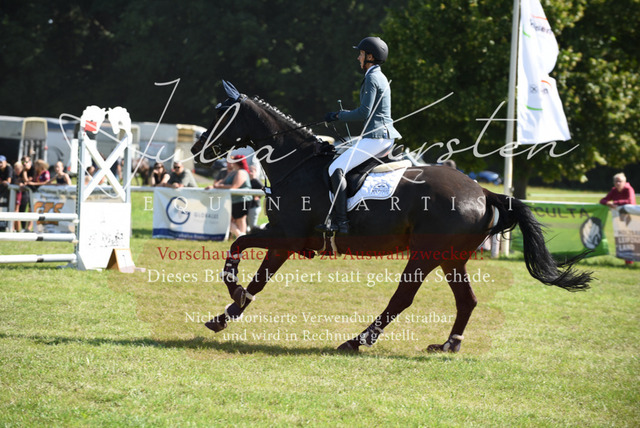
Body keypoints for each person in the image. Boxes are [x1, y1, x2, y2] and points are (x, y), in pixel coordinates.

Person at [320, 36, 401, 234]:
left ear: (370, 57)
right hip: (381, 135)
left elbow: (364, 112)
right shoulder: (379, 76)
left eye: (361, 54)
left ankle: (341, 222)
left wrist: (338, 115)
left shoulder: (372, 77)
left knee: (336, 168)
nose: (358, 58)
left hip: (377, 137)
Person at [206, 155, 252, 239]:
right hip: (232, 200)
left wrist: (219, 186)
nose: (230, 163)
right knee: (227, 220)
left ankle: (241, 237)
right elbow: (222, 182)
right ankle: (240, 236)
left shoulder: (241, 172)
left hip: (242, 200)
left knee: (240, 220)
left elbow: (234, 186)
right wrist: (215, 186)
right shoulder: (232, 172)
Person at [600, 172, 636, 266]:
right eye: (616, 181)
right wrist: (608, 203)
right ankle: (629, 263)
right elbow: (602, 200)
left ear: (624, 182)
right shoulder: (614, 190)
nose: (618, 183)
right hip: (620, 219)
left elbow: (630, 201)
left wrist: (615, 203)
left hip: (632, 219)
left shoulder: (629, 189)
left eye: (620, 181)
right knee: (624, 240)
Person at [247, 163, 264, 232]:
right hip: (248, 206)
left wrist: (258, 196)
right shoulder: (248, 181)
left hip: (254, 205)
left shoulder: (256, 181)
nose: (250, 172)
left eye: (252, 171)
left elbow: (263, 189)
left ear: (255, 172)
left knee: (253, 226)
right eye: (249, 171)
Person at [0, 155, 13, 231]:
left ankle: (10, 227)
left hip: (12, 191)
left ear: (5, 162)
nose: (0, 164)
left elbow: (8, 181)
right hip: (3, 190)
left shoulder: (9, 168)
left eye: (1, 162)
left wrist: (3, 182)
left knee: (12, 208)